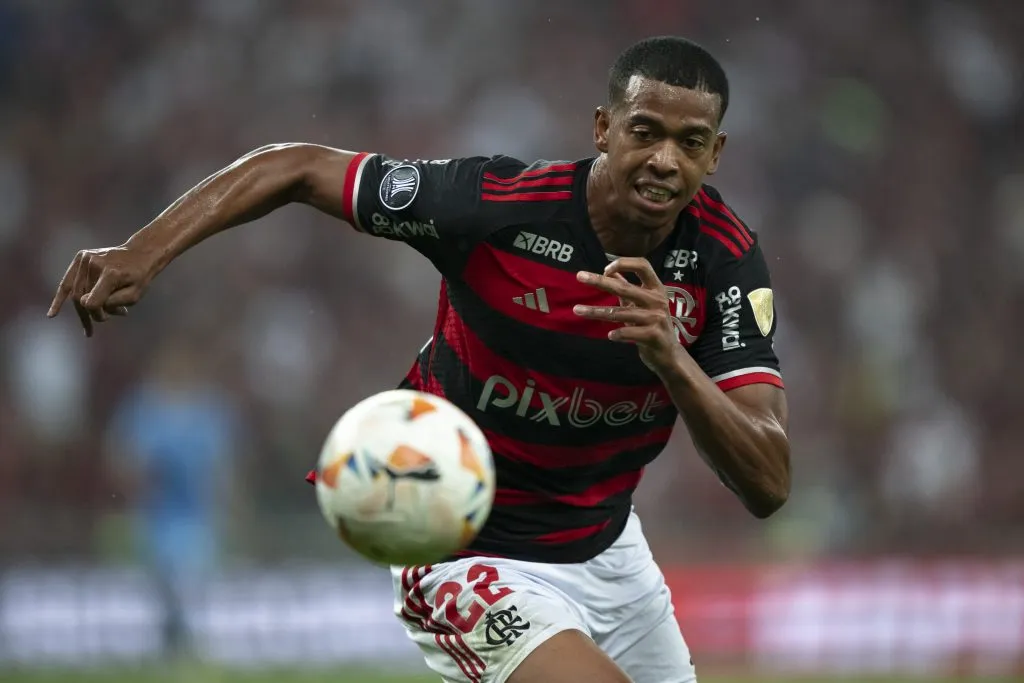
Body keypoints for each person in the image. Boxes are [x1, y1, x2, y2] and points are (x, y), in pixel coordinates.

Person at [48, 36, 790, 683]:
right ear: (602, 129)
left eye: (690, 143)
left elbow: (768, 482)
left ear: (715, 152)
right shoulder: (493, 206)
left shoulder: (724, 260)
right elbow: (298, 166)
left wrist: (671, 359)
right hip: (462, 544)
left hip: (610, 549)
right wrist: (145, 250)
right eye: (644, 131)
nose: (665, 159)